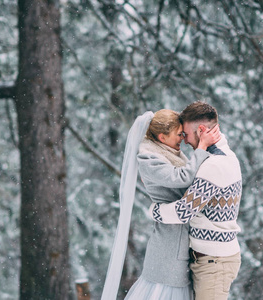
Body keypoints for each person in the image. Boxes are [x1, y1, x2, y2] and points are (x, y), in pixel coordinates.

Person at [100, 109, 220, 300]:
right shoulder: (150, 159)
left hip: (178, 236)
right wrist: (201, 148)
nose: (182, 138)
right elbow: (182, 177)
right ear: (162, 137)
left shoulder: (171, 152)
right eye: (178, 134)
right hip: (169, 245)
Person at [148, 102, 242, 300]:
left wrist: (154, 210)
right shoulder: (222, 157)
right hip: (210, 260)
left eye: (186, 134)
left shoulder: (215, 164)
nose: (185, 140)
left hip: (214, 263)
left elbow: (184, 211)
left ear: (201, 130)